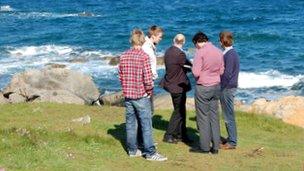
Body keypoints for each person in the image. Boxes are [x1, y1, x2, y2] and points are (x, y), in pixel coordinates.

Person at [118, 28, 167, 161]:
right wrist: (149, 90)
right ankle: (150, 152)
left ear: (131, 40)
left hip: (128, 95)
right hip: (140, 95)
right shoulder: (143, 56)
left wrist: (126, 88)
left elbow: (121, 76)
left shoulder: (123, 56)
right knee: (146, 124)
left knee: (130, 123)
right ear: (142, 40)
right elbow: (147, 78)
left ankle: (132, 150)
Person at [190, 31, 224, 154]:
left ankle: (204, 147)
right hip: (216, 86)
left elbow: (196, 73)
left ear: (197, 42)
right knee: (214, 117)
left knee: (203, 117)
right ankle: (215, 147)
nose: (195, 47)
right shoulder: (218, 51)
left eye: (195, 45)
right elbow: (221, 71)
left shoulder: (200, 52)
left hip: (203, 87)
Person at [160, 34, 193, 144]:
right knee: (178, 111)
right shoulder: (180, 54)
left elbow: (181, 65)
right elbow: (187, 66)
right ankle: (169, 135)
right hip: (178, 86)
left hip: (170, 83)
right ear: (183, 42)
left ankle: (181, 134)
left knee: (180, 110)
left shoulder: (168, 51)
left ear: (174, 40)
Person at [219, 31, 240, 150]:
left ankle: (232, 141)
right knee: (227, 114)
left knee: (228, 115)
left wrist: (219, 86)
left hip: (227, 88)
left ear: (222, 41)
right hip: (229, 87)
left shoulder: (230, 54)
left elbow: (227, 74)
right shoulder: (229, 53)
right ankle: (231, 138)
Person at [142, 25, 164, 114]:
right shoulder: (146, 48)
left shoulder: (150, 46)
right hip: (146, 83)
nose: (161, 39)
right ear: (153, 36)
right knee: (147, 110)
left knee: (148, 110)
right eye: (160, 37)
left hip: (148, 81)